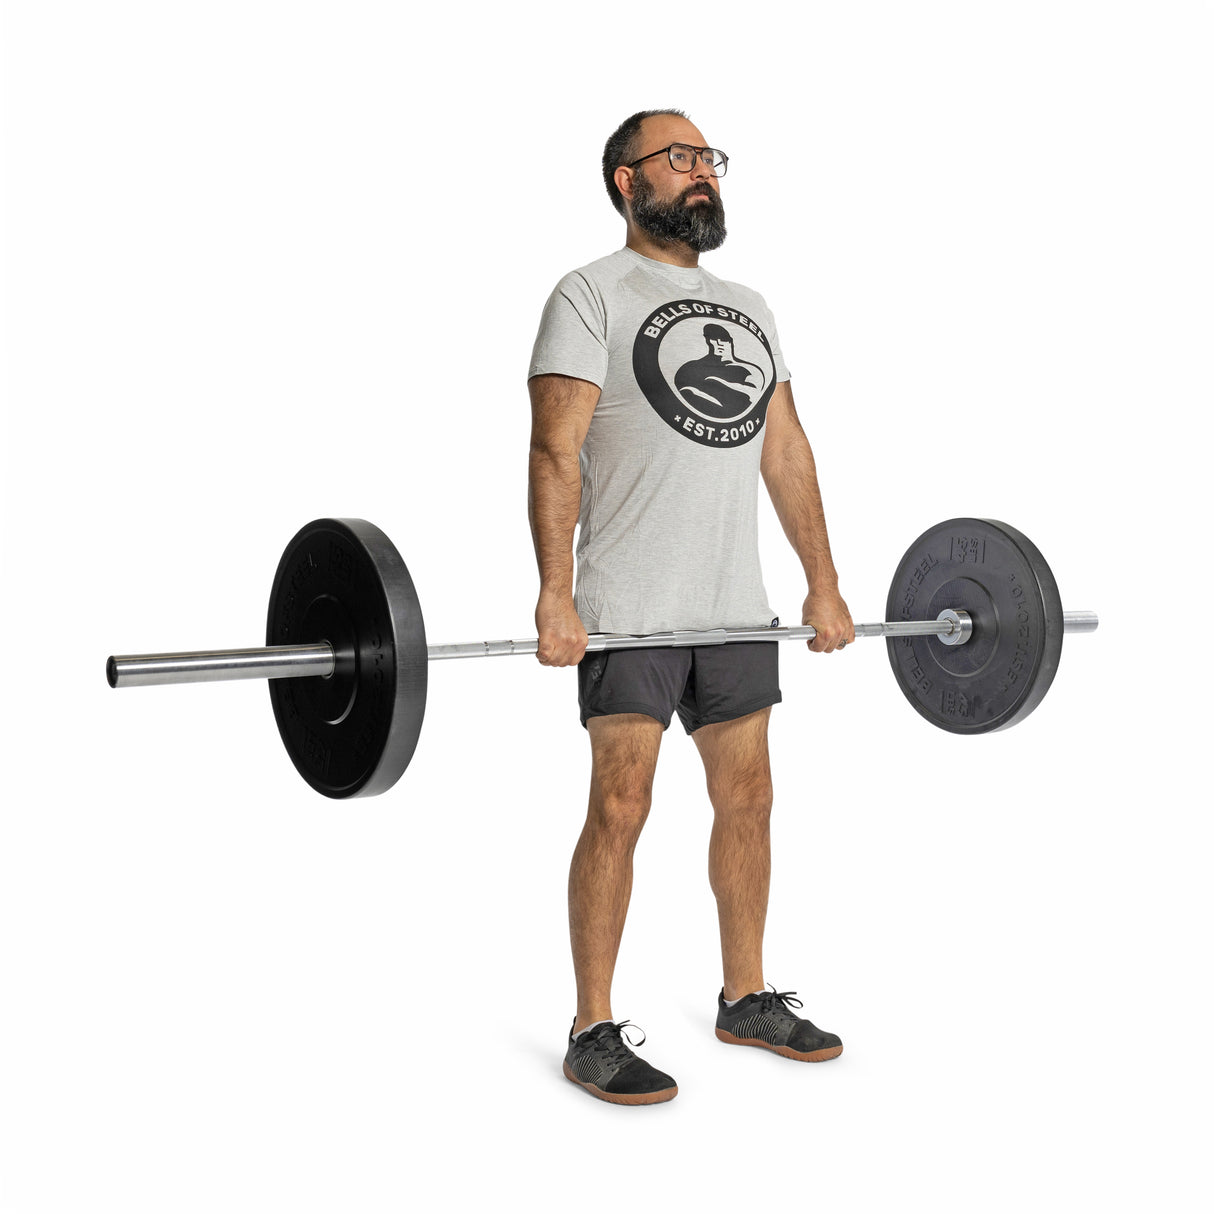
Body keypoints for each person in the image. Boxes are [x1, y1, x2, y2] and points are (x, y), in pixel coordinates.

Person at [527, 109, 855, 1106]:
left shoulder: (748, 305)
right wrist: (552, 590)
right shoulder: (588, 295)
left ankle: (743, 995)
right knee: (620, 805)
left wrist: (823, 580)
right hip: (627, 607)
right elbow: (554, 447)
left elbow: (784, 448)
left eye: (707, 158)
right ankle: (591, 1024)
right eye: (677, 159)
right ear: (626, 183)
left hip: (732, 605)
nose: (700, 173)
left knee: (748, 797)